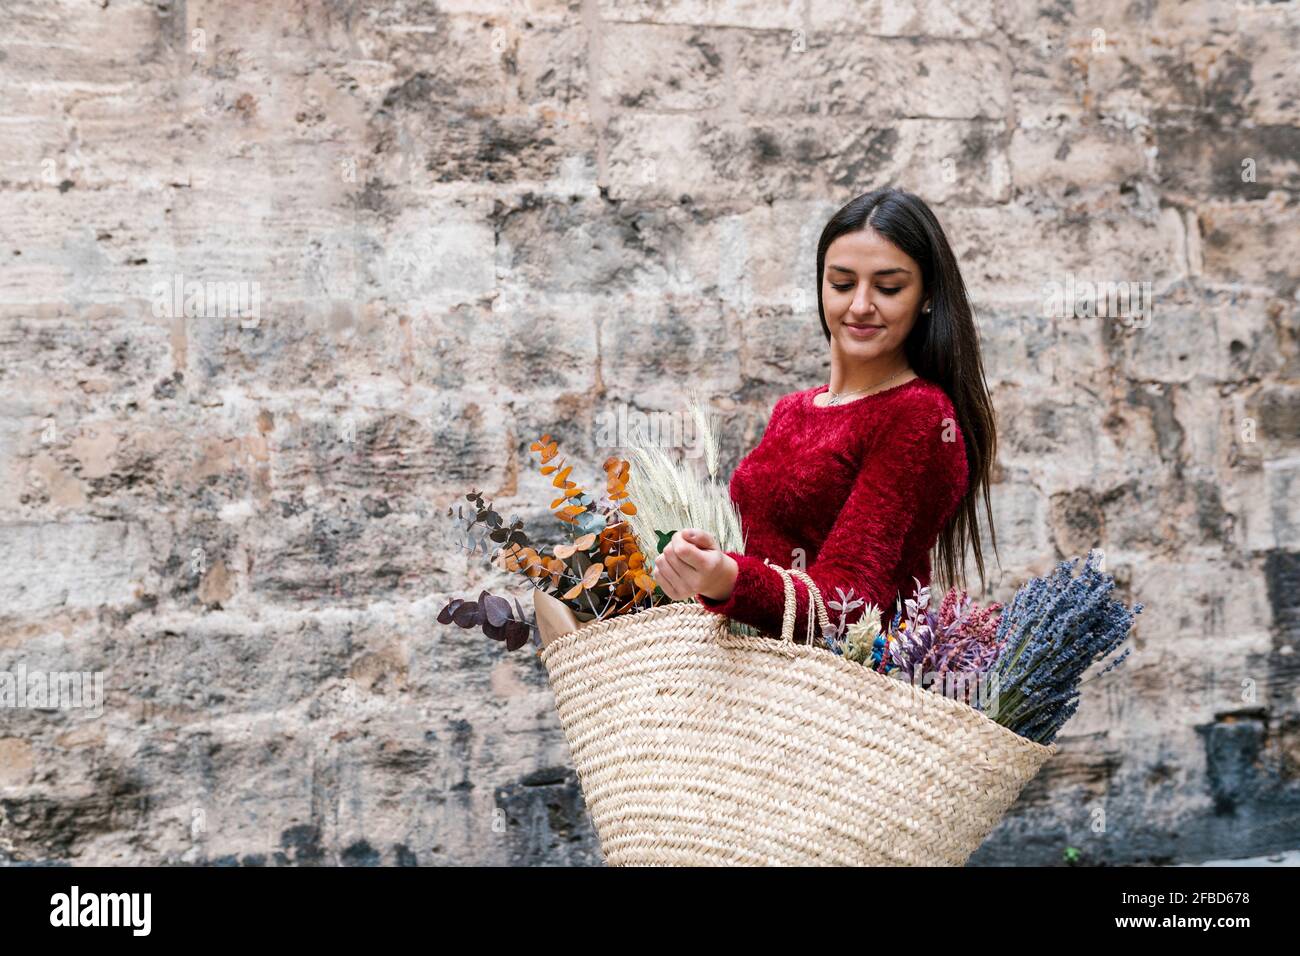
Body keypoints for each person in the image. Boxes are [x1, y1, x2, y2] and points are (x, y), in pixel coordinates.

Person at [650, 187, 999, 642]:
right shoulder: (792, 410)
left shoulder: (920, 417)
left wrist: (728, 580)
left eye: (888, 287)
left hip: (829, 695)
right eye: (841, 283)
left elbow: (849, 605)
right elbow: (762, 554)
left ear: (927, 296)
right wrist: (703, 562)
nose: (859, 305)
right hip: (749, 677)